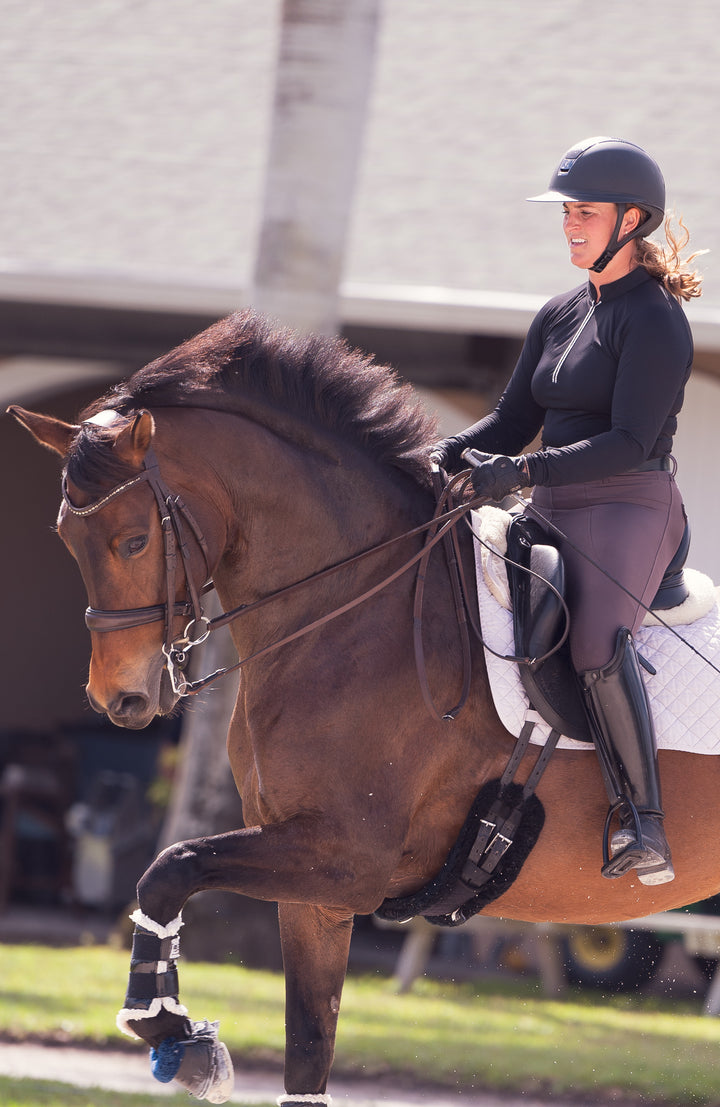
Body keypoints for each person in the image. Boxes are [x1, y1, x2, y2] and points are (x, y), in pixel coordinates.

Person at [433, 136, 705, 885]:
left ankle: (642, 822)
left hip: (629, 506)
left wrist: (518, 470)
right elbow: (509, 418)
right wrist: (447, 452)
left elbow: (627, 442)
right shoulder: (559, 313)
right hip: (551, 500)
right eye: (566, 213)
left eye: (584, 212)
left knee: (592, 641)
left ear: (631, 220)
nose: (570, 225)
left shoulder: (653, 321)